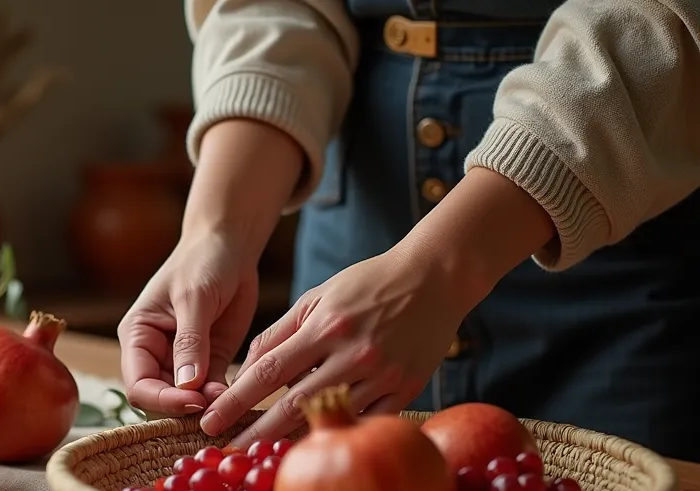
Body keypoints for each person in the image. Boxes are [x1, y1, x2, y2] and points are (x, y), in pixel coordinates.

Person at [118, 0, 700, 461]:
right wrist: (217, 229)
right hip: (350, 250)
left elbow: (661, 20)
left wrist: (444, 266)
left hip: (621, 279)